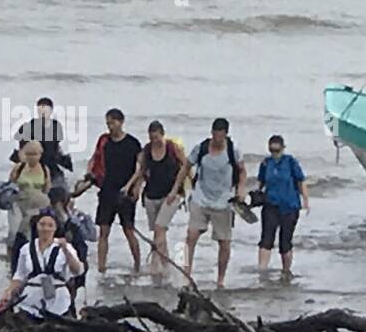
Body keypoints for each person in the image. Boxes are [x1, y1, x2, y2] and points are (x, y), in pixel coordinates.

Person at [184, 118, 246, 288]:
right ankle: (186, 275)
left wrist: (241, 189)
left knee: (224, 243)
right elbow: (186, 166)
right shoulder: (201, 148)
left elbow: (242, 171)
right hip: (200, 198)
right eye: (214, 135)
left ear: (225, 134)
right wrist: (177, 189)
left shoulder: (233, 150)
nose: (217, 139)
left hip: (224, 202)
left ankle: (220, 280)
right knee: (191, 236)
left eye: (220, 136)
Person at [124, 120, 187, 276]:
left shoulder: (173, 148)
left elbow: (186, 166)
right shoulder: (146, 151)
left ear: (162, 135)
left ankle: (155, 265)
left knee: (159, 228)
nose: (155, 141)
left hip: (171, 196)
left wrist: (177, 190)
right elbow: (141, 172)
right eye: (152, 138)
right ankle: (166, 267)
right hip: (151, 196)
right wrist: (130, 186)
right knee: (159, 232)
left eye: (157, 137)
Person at [83, 108, 142, 274]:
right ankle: (101, 267)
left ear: (121, 122)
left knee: (129, 230)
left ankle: (137, 266)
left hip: (125, 192)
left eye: (113, 122)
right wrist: (89, 174)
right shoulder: (104, 141)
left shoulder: (132, 143)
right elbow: (95, 158)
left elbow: (140, 168)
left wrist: (136, 188)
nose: (110, 126)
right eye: (108, 123)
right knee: (104, 230)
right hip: (107, 191)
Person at [0, 209, 84, 319]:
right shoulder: (26, 249)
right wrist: (8, 293)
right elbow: (19, 276)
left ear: (55, 228)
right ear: (37, 226)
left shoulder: (66, 247)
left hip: (58, 297)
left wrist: (66, 250)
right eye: (42, 225)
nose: (46, 229)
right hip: (31, 297)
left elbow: (78, 271)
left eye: (50, 225)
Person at [256, 135, 309, 276]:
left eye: (277, 150)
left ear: (283, 148)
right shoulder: (266, 163)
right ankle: (262, 271)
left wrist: (306, 201)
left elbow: (301, 181)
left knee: (285, 242)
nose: (274, 154)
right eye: (271, 150)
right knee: (266, 239)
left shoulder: (291, 162)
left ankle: (286, 271)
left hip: (289, 206)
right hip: (270, 204)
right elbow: (260, 182)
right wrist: (255, 196)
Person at [48, 183, 96, 314]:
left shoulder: (74, 218)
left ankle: (70, 307)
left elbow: (89, 237)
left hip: (74, 257)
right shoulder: (49, 218)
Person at [7, 139, 53, 269]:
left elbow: (47, 188)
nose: (32, 157)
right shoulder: (19, 167)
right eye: (30, 154)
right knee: (14, 231)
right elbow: (10, 185)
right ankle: (11, 258)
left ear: (40, 154)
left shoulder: (44, 169)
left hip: (37, 205)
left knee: (31, 233)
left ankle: (31, 260)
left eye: (35, 154)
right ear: (25, 154)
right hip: (19, 202)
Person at [13, 97, 72, 189]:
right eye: (40, 110)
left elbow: (56, 146)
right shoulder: (29, 126)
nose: (43, 113)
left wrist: (62, 158)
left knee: (62, 190)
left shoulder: (56, 126)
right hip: (33, 163)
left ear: (51, 111)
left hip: (51, 164)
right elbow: (22, 148)